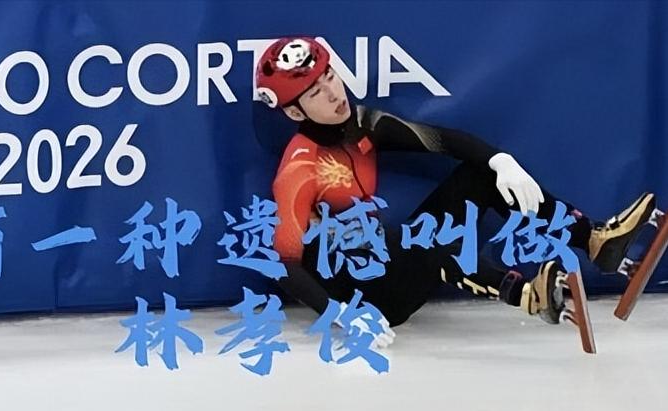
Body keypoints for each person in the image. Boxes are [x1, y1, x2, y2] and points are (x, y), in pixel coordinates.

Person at [255, 37, 655, 347]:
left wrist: (500, 161)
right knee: (411, 238)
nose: (333, 93)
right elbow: (284, 263)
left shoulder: (362, 123)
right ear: (294, 111)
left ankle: (595, 240)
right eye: (315, 93)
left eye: (329, 76)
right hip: (369, 299)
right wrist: (340, 314)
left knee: (481, 176)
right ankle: (528, 295)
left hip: (395, 263)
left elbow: (441, 140)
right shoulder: (299, 168)